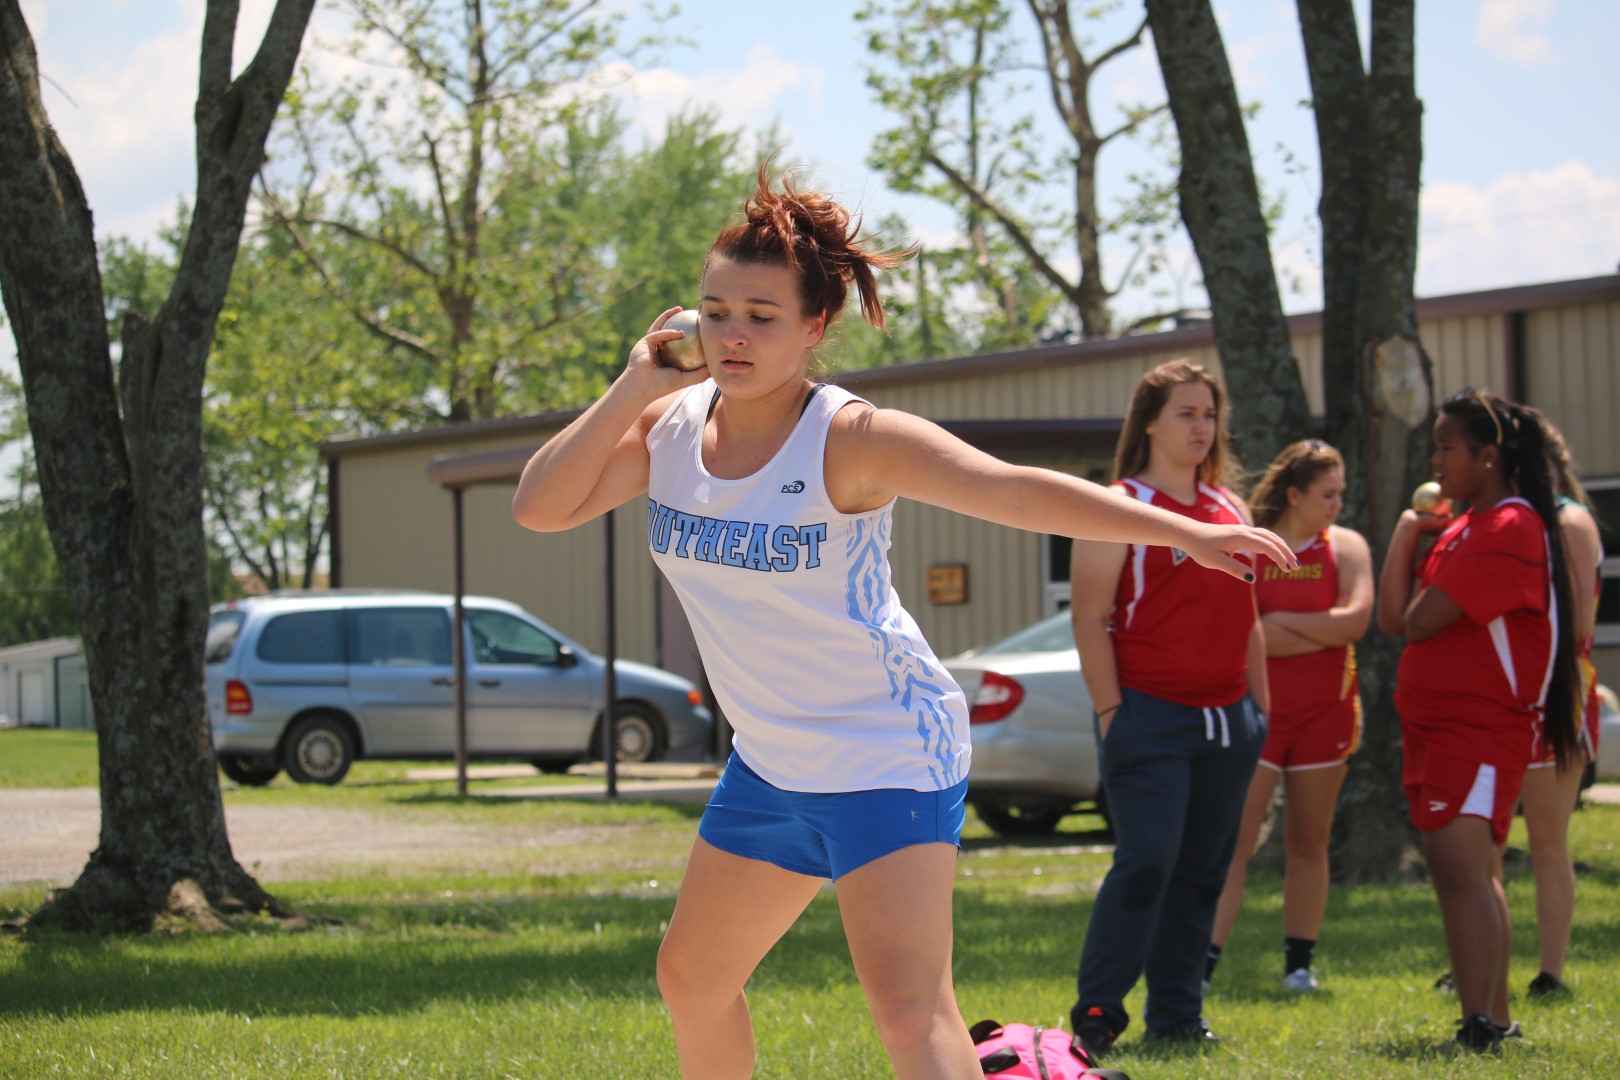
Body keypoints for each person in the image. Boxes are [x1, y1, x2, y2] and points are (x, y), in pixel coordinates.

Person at [511, 167, 1296, 1080]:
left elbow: (1013, 491)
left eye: (762, 316)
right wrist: (632, 383)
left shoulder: (849, 438)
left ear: (815, 327)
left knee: (909, 1011)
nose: (733, 335)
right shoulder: (669, 427)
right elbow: (540, 507)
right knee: (692, 980)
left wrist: (1185, 533)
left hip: (887, 749)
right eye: (715, 312)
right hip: (773, 760)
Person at [1066, 359, 1272, 1056]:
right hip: (1148, 716)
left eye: (1209, 415)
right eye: (1186, 413)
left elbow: (1249, 617)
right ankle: (1098, 1012)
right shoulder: (1119, 504)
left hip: (1230, 719)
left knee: (1203, 871)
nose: (1201, 427)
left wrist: (1260, 712)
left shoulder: (1230, 508)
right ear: (1150, 423)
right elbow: (1090, 617)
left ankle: (1178, 1015)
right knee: (1147, 861)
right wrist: (1110, 713)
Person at [1377, 388, 1581, 1053]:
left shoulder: (1507, 526)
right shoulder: (1468, 524)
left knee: (1462, 871)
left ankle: (1480, 1029)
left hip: (1477, 728)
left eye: (1446, 447)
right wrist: (1408, 534)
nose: (1435, 460)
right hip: (1440, 727)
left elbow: (1419, 620)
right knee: (1468, 871)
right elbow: (1391, 618)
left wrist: (1422, 541)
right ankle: (1492, 1021)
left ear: (1488, 456)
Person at [1207, 440, 1372, 994]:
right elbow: (1245, 634)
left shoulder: (1346, 546)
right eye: (1327, 494)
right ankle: (1202, 966)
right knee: (1235, 842)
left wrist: (1280, 627)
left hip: (1327, 713)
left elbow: (1355, 623)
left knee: (1308, 841)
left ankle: (1299, 965)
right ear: (1295, 494)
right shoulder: (1254, 545)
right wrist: (1319, 629)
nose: (1337, 505)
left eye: (1341, 494)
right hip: (1261, 714)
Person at [1504, 420, 1604, 1000]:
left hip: (1556, 696)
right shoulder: (1498, 517)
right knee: (1481, 842)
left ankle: (1550, 973)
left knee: (1546, 840)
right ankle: (1477, 962)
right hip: (1501, 693)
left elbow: (1579, 623)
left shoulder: (1568, 521)